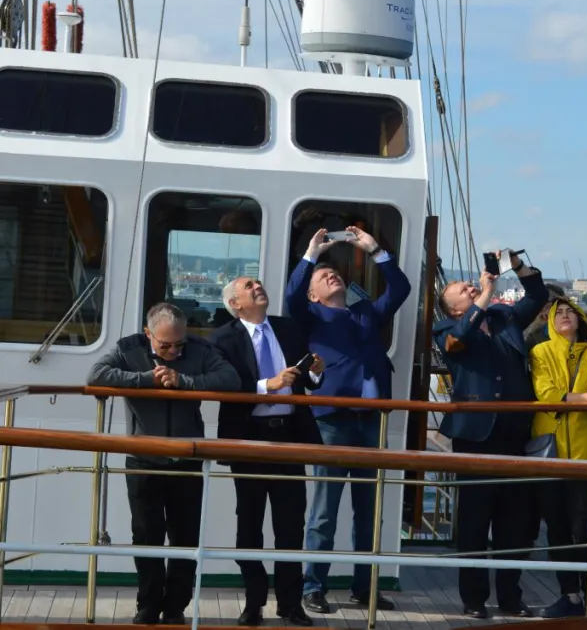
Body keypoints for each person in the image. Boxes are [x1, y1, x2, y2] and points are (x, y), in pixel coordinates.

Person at [87, 302, 241, 625]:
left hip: (187, 458)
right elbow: (96, 374)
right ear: (148, 334)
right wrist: (147, 379)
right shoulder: (128, 348)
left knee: (185, 536)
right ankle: (148, 603)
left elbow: (231, 379)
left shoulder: (200, 350)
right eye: (165, 345)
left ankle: (175, 607)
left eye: (179, 345)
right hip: (143, 458)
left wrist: (185, 381)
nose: (173, 352)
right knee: (146, 535)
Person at [284, 226, 412, 614]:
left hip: (372, 419)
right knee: (325, 510)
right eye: (324, 275)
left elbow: (401, 289)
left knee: (370, 511)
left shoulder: (366, 312)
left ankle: (365, 587)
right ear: (313, 294)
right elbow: (292, 295)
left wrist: (375, 250)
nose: (332, 275)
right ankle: (313, 587)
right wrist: (311, 254)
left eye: (334, 272)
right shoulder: (309, 314)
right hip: (332, 419)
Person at [434, 250, 549, 620]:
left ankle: (511, 597)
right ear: (452, 308)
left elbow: (537, 296)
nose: (470, 288)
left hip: (515, 432)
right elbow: (461, 337)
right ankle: (473, 598)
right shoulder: (446, 330)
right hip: (476, 436)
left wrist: (518, 266)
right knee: (474, 521)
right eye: (462, 289)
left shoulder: (503, 317)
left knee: (513, 522)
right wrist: (484, 295)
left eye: (471, 285)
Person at [210, 276, 327, 626]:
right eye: (249, 286)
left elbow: (305, 379)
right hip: (249, 438)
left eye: (259, 282)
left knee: (290, 525)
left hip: (289, 436)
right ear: (235, 304)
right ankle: (254, 602)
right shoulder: (222, 338)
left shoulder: (287, 328)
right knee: (249, 526)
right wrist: (267, 385)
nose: (258, 286)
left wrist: (315, 373)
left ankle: (290, 604)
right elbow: (225, 385)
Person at [530, 300, 587, 618]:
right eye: (559, 313)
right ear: (550, 322)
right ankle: (569, 595)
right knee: (557, 527)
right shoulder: (540, 352)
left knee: (585, 528)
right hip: (551, 451)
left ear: (580, 319)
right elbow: (547, 394)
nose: (565, 316)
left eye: (570, 311)